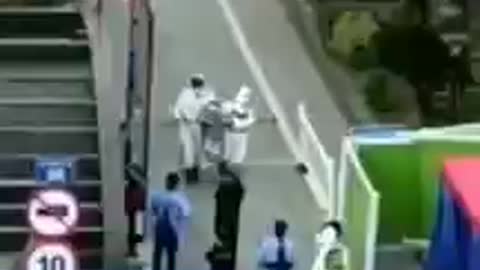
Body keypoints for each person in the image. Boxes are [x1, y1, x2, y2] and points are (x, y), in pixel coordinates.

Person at [173, 73, 216, 183]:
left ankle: (193, 173)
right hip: (190, 125)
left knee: (194, 148)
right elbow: (177, 109)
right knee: (191, 148)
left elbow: (177, 110)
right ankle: (191, 173)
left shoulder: (203, 94)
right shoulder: (188, 94)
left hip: (194, 124)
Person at [150, 172, 191, 270]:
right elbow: (185, 216)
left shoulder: (157, 196)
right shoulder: (181, 199)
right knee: (169, 255)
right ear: (177, 184)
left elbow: (153, 211)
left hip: (162, 228)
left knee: (159, 254)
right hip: (170, 229)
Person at [224, 85, 256, 164]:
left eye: (246, 96)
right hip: (230, 134)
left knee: (238, 156)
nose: (245, 98)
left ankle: (232, 170)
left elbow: (250, 121)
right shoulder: (229, 105)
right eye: (243, 95)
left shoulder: (248, 109)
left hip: (242, 135)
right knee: (227, 154)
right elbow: (225, 119)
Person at [124, 163, 147, 257]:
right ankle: (132, 250)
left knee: (135, 230)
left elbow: (135, 197)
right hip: (133, 209)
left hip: (135, 209)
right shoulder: (136, 184)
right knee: (133, 230)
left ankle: (133, 250)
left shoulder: (137, 185)